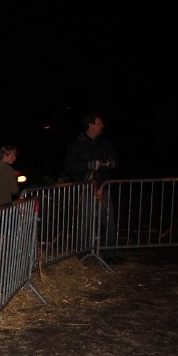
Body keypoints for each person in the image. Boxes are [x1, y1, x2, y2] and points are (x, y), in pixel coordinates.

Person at [64, 111, 121, 259]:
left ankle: (110, 253)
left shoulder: (104, 144)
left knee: (108, 221)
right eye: (99, 123)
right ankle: (82, 254)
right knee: (85, 221)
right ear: (90, 124)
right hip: (86, 189)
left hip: (103, 187)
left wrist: (111, 162)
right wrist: (86, 165)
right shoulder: (76, 145)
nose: (102, 125)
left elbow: (115, 159)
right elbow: (69, 166)